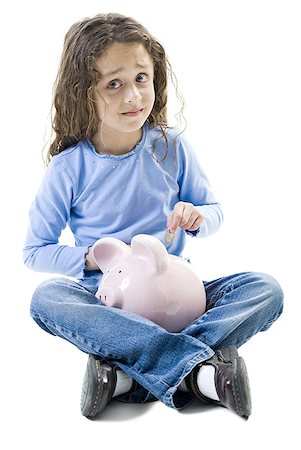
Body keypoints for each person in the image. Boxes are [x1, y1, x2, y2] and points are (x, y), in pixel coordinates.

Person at [23, 13, 283, 420]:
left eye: (140, 78)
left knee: (265, 289)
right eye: (114, 84)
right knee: (47, 299)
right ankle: (200, 373)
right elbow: (35, 250)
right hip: (109, 304)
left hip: (181, 298)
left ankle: (127, 374)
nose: (133, 97)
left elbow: (214, 212)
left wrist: (197, 216)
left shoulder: (172, 147)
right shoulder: (69, 168)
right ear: (82, 92)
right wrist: (91, 258)